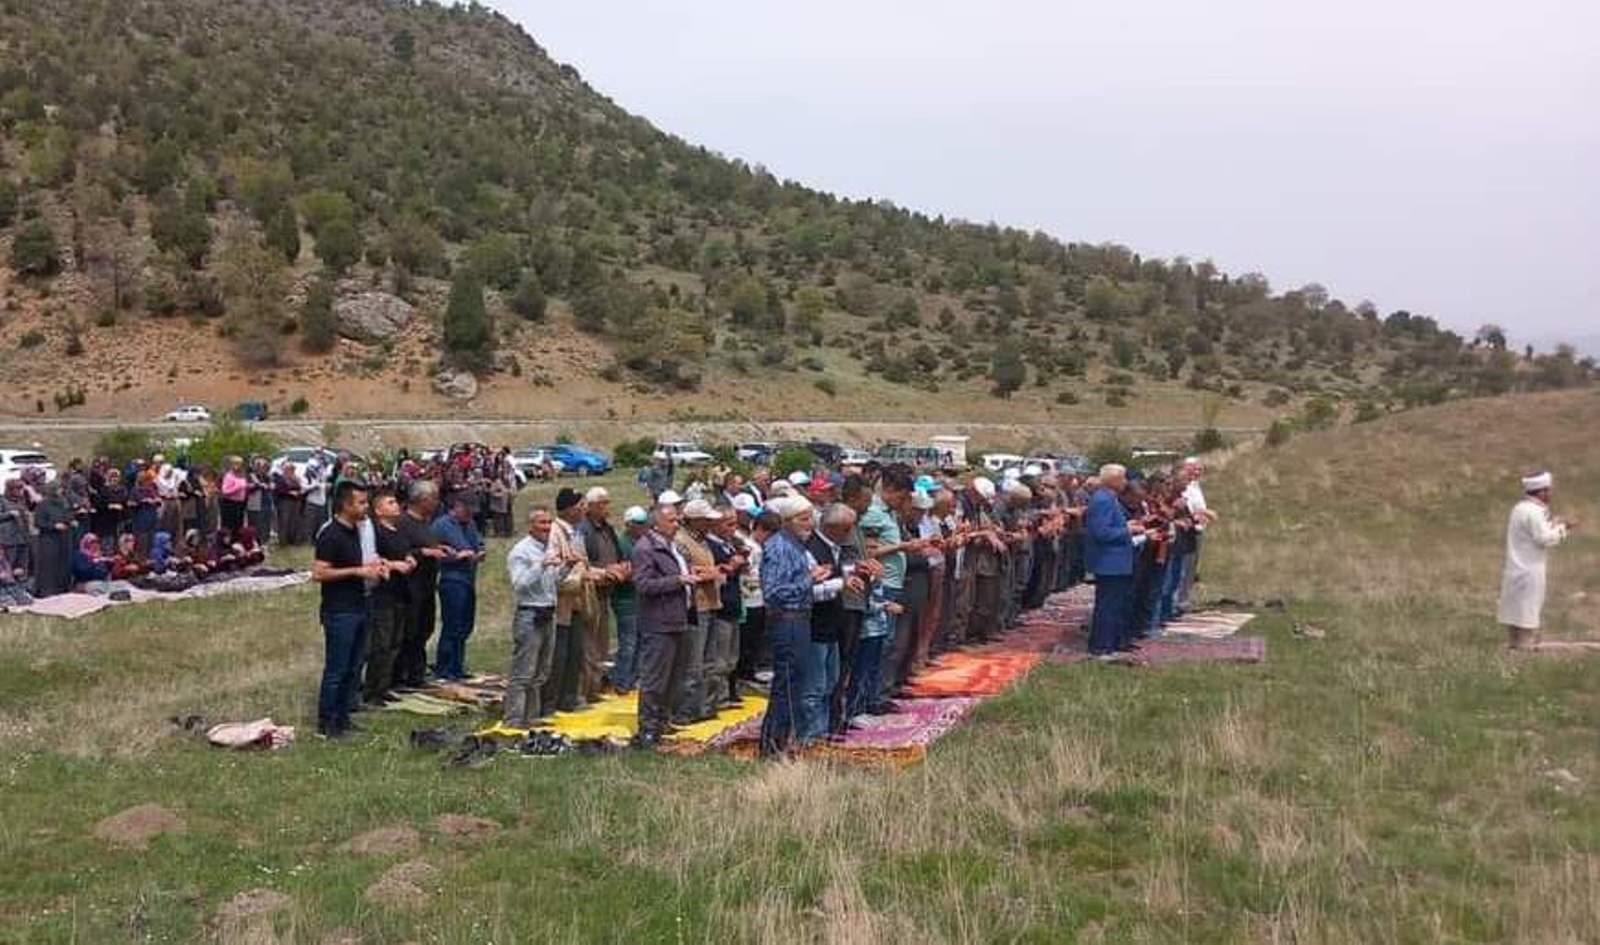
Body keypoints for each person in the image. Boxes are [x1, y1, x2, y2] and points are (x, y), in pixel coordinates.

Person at [311, 481, 384, 739]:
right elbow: (319, 573)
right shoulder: (331, 534)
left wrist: (375, 566)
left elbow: (359, 563)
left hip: (361, 604)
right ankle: (327, 724)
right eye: (361, 503)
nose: (366, 507)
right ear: (345, 504)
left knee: (354, 667)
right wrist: (357, 571)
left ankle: (343, 718)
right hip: (340, 610)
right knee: (337, 669)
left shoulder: (356, 530)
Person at [631, 501, 702, 747]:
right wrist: (678, 580)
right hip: (658, 622)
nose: (677, 524)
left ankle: (663, 720)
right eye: (671, 520)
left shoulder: (675, 547)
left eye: (677, 519)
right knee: (655, 679)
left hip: (679, 618)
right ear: (657, 523)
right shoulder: (645, 549)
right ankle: (648, 727)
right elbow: (643, 584)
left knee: (674, 677)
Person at [758, 495, 822, 756]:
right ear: (787, 521)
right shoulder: (779, 547)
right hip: (787, 620)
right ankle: (772, 744)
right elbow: (773, 591)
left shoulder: (796, 546)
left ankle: (782, 739)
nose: (810, 524)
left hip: (801, 618)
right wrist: (809, 580)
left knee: (795, 683)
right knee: (785, 684)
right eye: (803, 519)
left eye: (811, 518)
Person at [1497, 471, 1576, 649]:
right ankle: (1524, 649)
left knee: (1515, 611)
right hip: (1530, 570)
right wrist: (1564, 528)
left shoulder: (1519, 508)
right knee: (1527, 610)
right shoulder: (1533, 512)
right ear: (1541, 492)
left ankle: (1514, 647)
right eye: (1548, 490)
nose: (1551, 493)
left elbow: (1534, 533)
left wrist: (1551, 524)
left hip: (1516, 567)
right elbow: (1544, 539)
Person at [503, 506, 561, 728]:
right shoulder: (521, 551)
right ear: (531, 525)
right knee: (523, 672)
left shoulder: (549, 549)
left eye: (549, 522)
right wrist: (541, 565)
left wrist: (566, 566)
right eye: (542, 523)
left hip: (548, 611)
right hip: (530, 613)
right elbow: (520, 584)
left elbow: (553, 581)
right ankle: (514, 719)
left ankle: (532, 716)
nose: (546, 527)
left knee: (541, 671)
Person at [674, 499, 726, 722]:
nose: (710, 524)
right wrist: (711, 573)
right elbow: (685, 570)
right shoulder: (681, 541)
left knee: (710, 662)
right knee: (693, 664)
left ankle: (706, 707)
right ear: (694, 520)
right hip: (697, 607)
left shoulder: (704, 541)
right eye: (706, 520)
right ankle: (686, 710)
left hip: (712, 604)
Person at [546, 488, 598, 712]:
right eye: (580, 506)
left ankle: (569, 698)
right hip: (561, 604)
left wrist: (599, 572)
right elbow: (554, 569)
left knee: (575, 653)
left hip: (578, 602)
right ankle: (551, 702)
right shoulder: (555, 533)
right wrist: (585, 575)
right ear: (568, 509)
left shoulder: (577, 532)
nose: (583, 510)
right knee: (559, 655)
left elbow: (581, 564)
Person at [364, 489, 416, 706]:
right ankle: (371, 690)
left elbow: (405, 551)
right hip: (383, 593)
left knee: (395, 641)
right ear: (378, 510)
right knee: (381, 643)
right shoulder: (375, 532)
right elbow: (373, 559)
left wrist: (410, 559)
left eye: (396, 502)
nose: (396, 506)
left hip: (401, 592)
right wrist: (396, 565)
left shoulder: (398, 530)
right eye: (390, 502)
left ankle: (385, 686)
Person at [1084, 464, 1140, 659]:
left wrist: (1126, 525)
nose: (1126, 482)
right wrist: (1127, 531)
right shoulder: (1102, 500)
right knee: (1107, 605)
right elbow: (1101, 532)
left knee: (1115, 604)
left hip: (1117, 561)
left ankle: (1111, 643)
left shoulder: (1110, 498)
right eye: (1123, 478)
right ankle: (1101, 646)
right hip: (1109, 562)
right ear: (1114, 480)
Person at [576, 486, 626, 701]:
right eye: (604, 503)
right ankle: (587, 690)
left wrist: (622, 567)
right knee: (589, 644)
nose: (608, 507)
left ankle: (597, 685)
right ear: (593, 506)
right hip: (590, 592)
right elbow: (583, 562)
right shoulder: (584, 530)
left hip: (607, 592)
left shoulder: (608, 528)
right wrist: (606, 571)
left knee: (602, 644)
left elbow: (617, 553)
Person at [396, 481, 446, 688]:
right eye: (434, 498)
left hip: (427, 585)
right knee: (409, 631)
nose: (437, 502)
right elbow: (398, 550)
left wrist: (440, 549)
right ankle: (399, 675)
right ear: (422, 500)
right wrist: (423, 552)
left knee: (425, 629)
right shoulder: (402, 523)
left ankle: (417, 673)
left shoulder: (426, 523)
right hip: (409, 587)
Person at [431, 494, 485, 681]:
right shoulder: (441, 525)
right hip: (451, 579)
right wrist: (456, 556)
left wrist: (479, 552)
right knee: (452, 625)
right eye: (467, 510)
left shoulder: (470, 524)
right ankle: (444, 667)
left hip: (469, 579)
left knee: (464, 625)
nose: (470, 514)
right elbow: (433, 552)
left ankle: (457, 666)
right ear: (457, 506)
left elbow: (478, 542)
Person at [609, 506, 649, 693]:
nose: (643, 527)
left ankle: (633, 678)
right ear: (629, 524)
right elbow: (623, 571)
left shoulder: (641, 542)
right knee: (628, 643)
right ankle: (622, 680)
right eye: (638, 523)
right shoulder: (622, 543)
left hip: (640, 599)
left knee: (640, 642)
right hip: (626, 600)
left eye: (644, 523)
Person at [31, 483, 74, 598]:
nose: (61, 491)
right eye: (59, 489)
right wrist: (53, 526)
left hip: (63, 538)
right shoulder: (43, 505)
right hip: (48, 540)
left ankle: (62, 588)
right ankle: (47, 591)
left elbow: (68, 515)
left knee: (63, 563)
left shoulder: (63, 503)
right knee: (49, 565)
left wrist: (70, 521)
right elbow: (38, 522)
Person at [220, 456, 248, 532]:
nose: (238, 466)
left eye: (240, 464)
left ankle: (237, 541)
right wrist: (237, 487)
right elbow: (225, 491)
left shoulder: (242, 476)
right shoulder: (228, 476)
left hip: (240, 504)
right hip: (230, 504)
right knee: (230, 526)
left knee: (239, 526)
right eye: (236, 464)